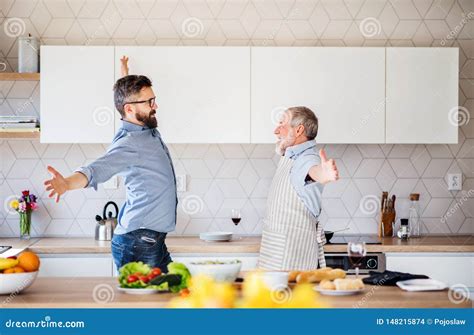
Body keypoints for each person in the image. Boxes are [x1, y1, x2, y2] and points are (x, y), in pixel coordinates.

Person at [43, 56, 177, 272]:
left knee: (171, 296)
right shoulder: (129, 143)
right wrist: (67, 183)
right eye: (150, 102)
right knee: (144, 304)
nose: (156, 106)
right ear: (130, 110)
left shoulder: (140, 124)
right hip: (139, 243)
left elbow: (129, 98)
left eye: (154, 99)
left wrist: (125, 72)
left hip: (151, 240)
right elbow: (97, 169)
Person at [258, 106, 339, 271]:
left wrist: (324, 174)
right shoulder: (291, 157)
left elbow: (313, 172)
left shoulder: (307, 159)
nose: (276, 130)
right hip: (276, 251)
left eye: (282, 124)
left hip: (292, 257)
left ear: (298, 130)